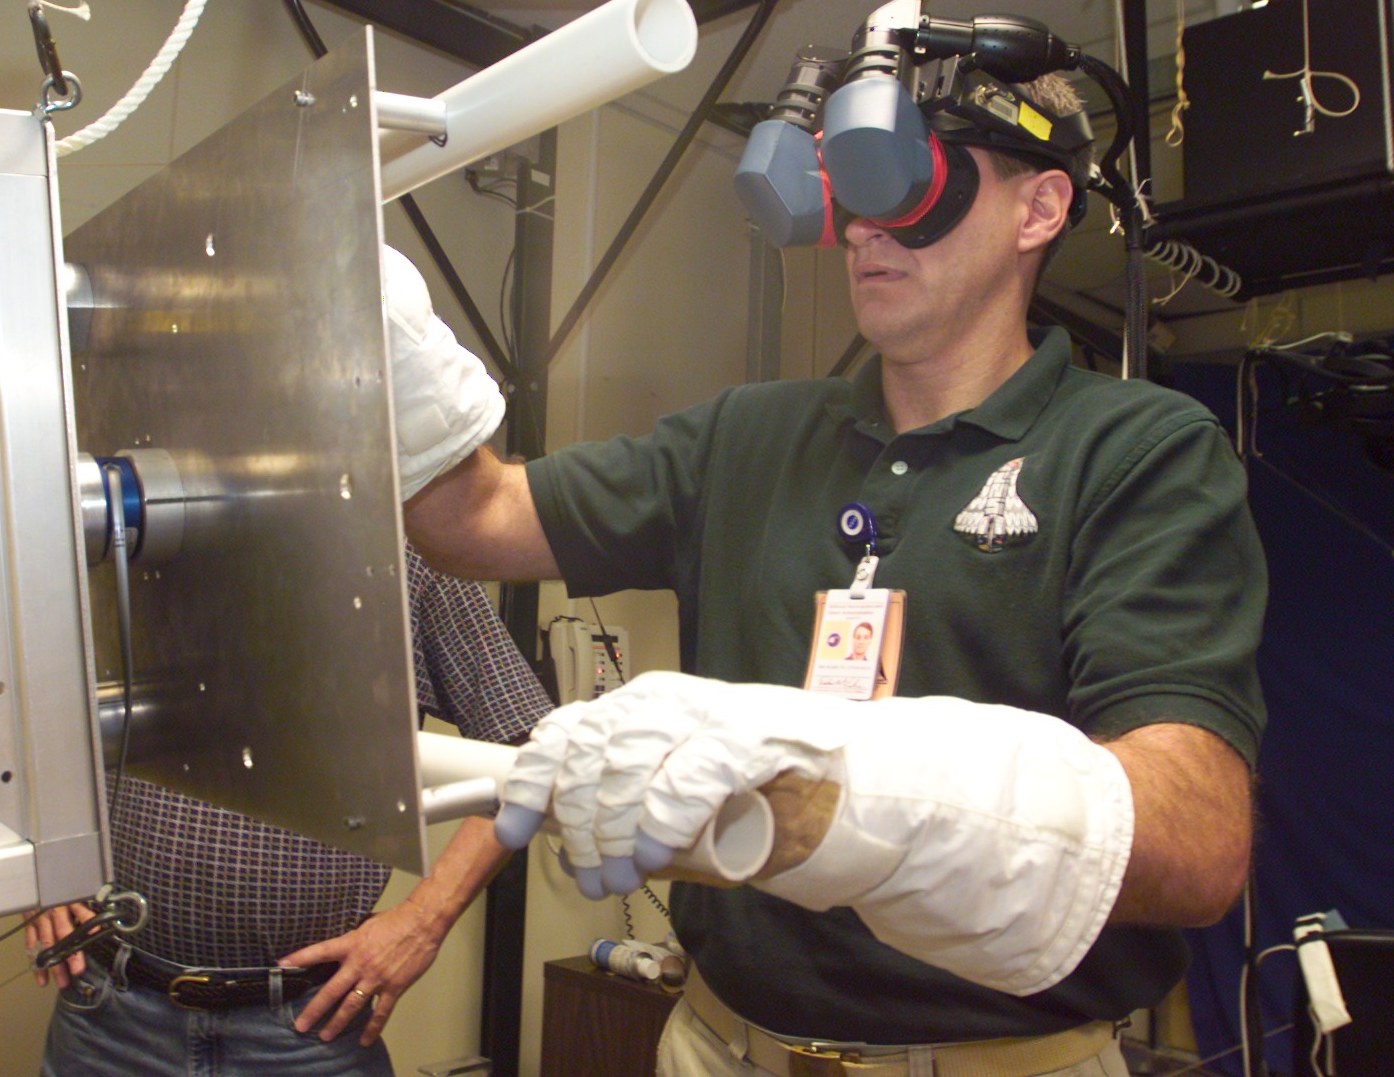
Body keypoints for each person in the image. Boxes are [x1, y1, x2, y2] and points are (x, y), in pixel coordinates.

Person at [393, 69, 1266, 1077]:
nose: (863, 227)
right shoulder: (744, 437)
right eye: (850, 187)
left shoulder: (1138, 450)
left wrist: (844, 792)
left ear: (1039, 208)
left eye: (909, 177)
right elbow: (471, 519)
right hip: (717, 1045)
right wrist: (383, 335)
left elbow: (1196, 840)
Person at [28, 544, 554, 1077]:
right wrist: (36, 868)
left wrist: (424, 921)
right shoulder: (124, 534)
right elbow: (26, 704)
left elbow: (532, 755)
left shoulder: (399, 552)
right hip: (113, 1016)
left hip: (303, 1032)